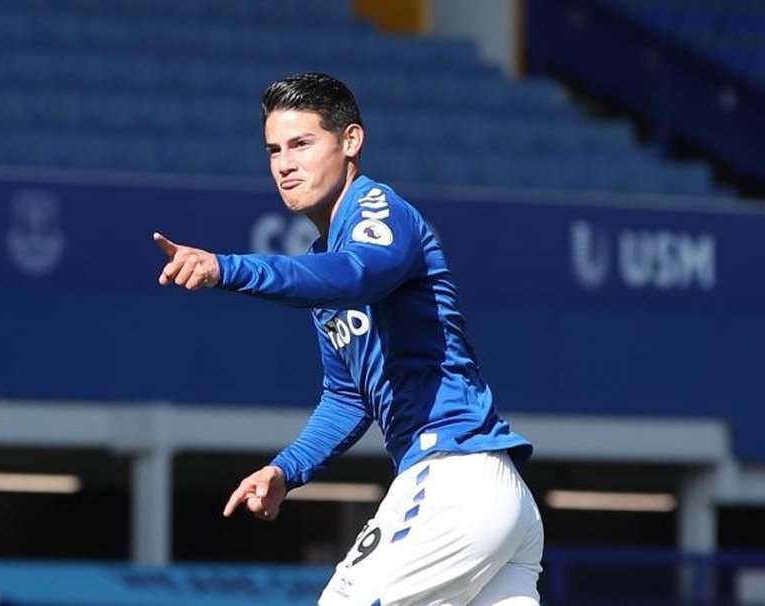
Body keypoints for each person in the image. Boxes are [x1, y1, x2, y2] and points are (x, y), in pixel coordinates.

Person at [154, 72, 543, 605]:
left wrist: (227, 268)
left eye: (301, 143)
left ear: (351, 141)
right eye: (273, 150)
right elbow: (348, 397)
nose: (285, 163)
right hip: (491, 499)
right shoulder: (325, 263)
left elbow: (359, 274)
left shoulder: (379, 210)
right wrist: (285, 470)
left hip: (455, 479)